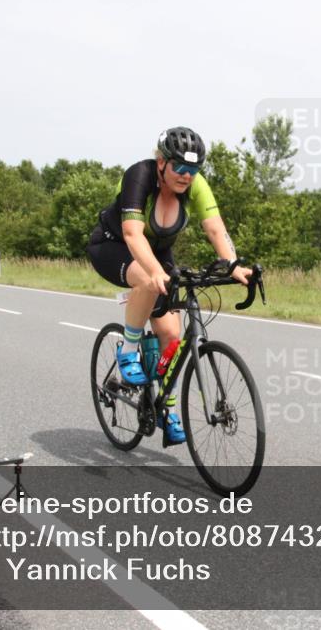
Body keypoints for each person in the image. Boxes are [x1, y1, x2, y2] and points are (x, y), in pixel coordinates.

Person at [86, 126, 252, 444]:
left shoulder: (195, 186)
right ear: (161, 161)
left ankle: (168, 409)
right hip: (113, 246)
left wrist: (232, 265)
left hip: (158, 253)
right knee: (148, 280)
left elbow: (216, 229)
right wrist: (154, 272)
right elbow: (133, 234)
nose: (187, 175)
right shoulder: (139, 175)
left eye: (194, 169)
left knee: (172, 336)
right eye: (180, 167)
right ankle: (128, 351)